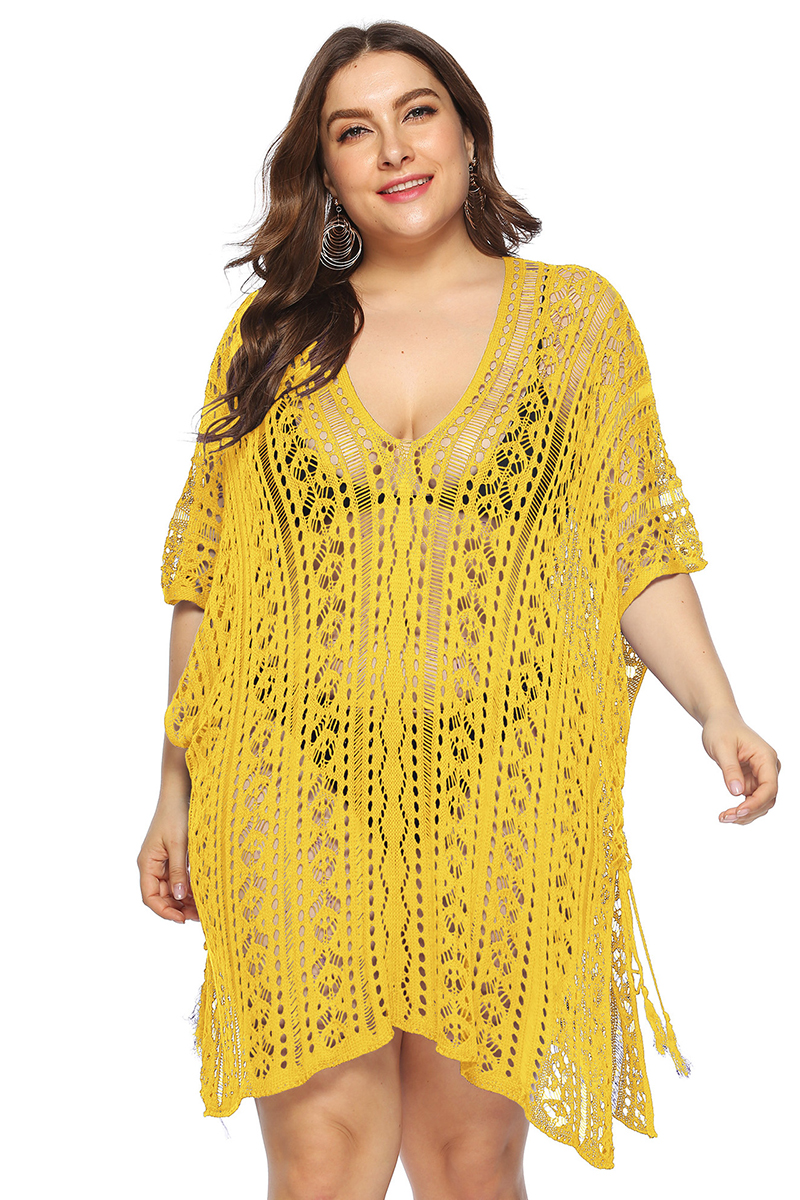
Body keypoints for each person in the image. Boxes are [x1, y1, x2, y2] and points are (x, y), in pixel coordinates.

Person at [137, 20, 780, 1193]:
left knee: (467, 1154)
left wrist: (716, 711)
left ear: (468, 133)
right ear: (324, 170)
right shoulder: (268, 336)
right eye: (353, 130)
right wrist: (171, 792)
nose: (392, 148)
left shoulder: (575, 322)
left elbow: (634, 548)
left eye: (416, 112)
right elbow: (207, 581)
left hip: (503, 790)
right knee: (321, 1157)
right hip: (285, 790)